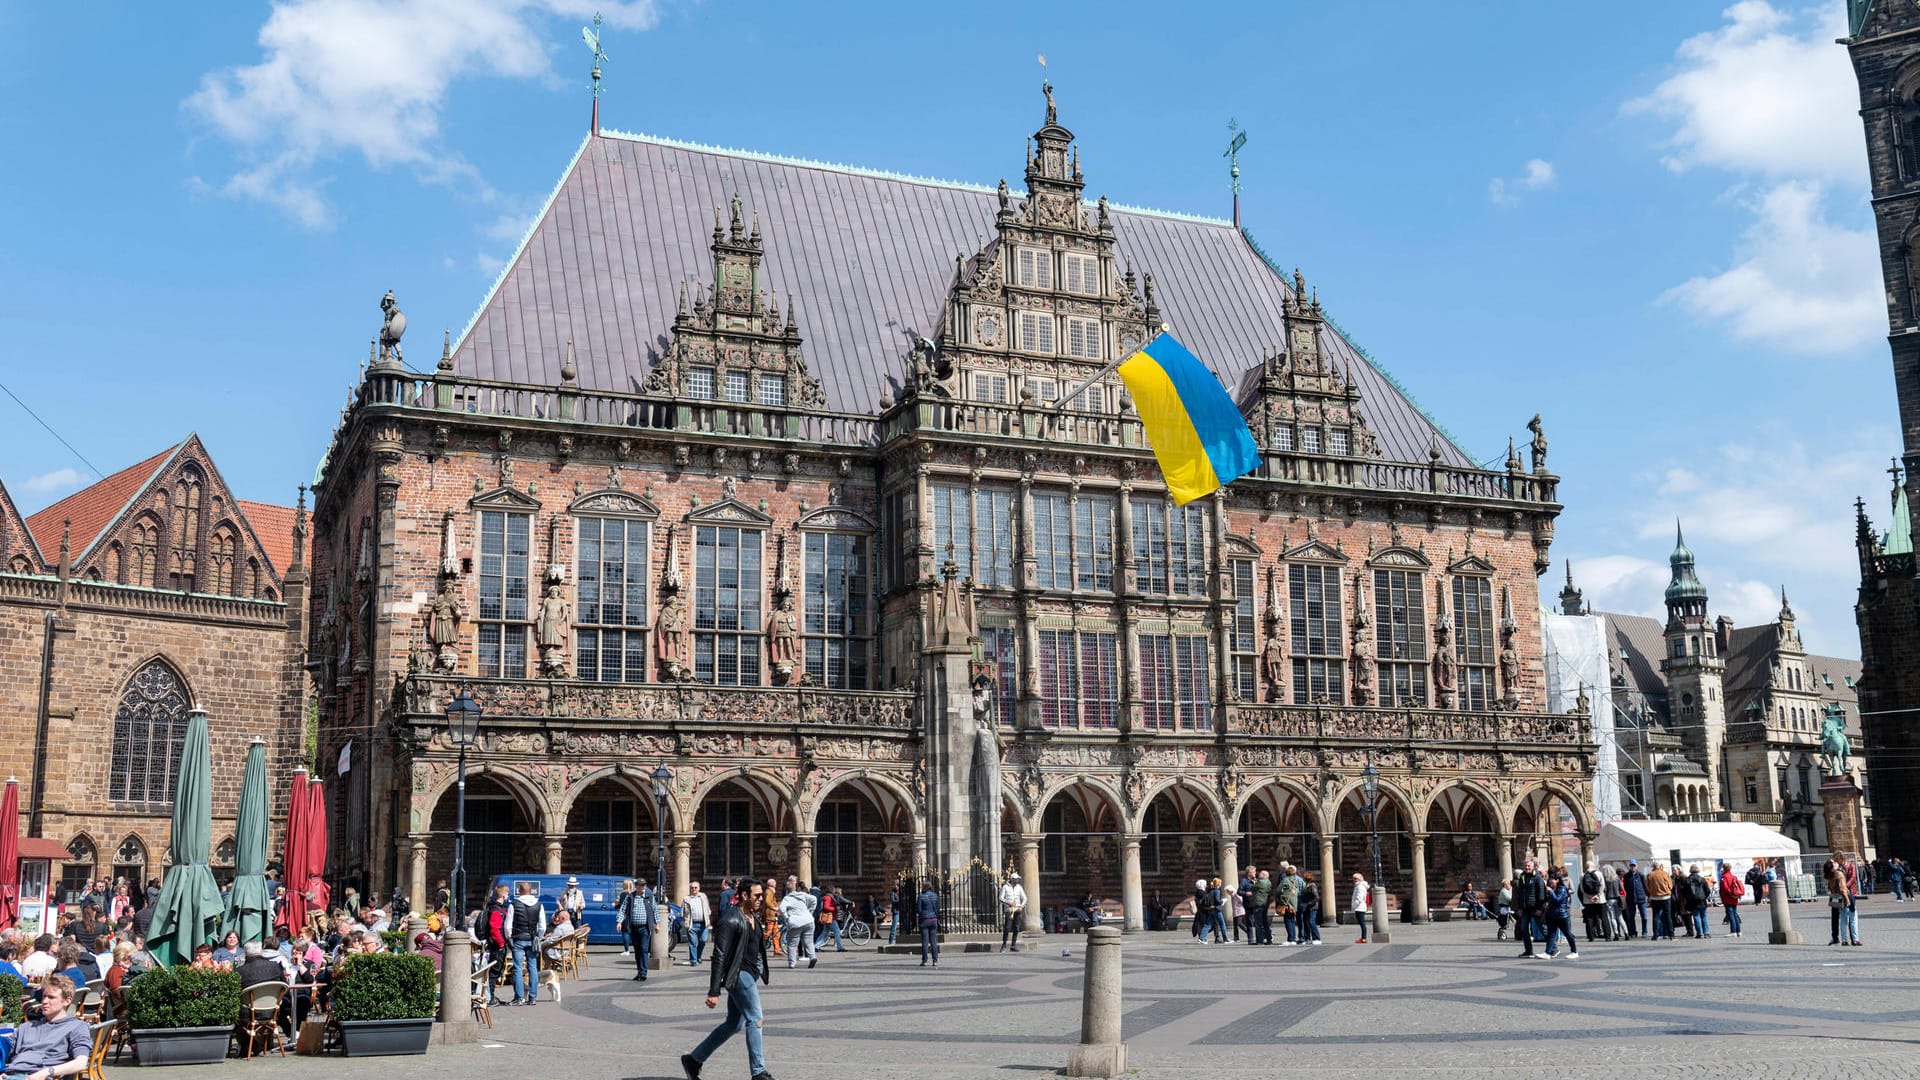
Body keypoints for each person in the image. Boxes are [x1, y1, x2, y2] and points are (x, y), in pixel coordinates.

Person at [682, 879, 772, 1080]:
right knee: (755, 1019)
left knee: (733, 1024)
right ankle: (758, 1072)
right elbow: (719, 956)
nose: (761, 899)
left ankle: (694, 1059)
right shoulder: (730, 920)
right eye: (757, 895)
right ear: (745, 895)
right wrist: (714, 991)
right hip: (739, 975)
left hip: (749, 974)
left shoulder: (752, 917)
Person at [3, 973, 90, 1080]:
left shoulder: (76, 1027)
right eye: (44, 996)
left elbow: (81, 1062)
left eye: (51, 997)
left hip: (39, 1075)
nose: (44, 1001)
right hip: (11, 1074)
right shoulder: (27, 1027)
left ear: (67, 1001)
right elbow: (4, 1048)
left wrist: (47, 1072)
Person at [504, 880, 547, 1006]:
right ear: (531, 891)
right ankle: (533, 997)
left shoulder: (514, 904)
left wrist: (509, 938)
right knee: (532, 967)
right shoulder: (539, 905)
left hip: (518, 938)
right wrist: (538, 937)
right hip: (532, 938)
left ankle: (519, 997)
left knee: (517, 968)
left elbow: (507, 926)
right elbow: (543, 926)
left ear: (519, 891)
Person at [617, 878, 656, 981]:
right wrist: (619, 922)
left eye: (644, 885)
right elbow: (623, 909)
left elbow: (655, 910)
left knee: (644, 949)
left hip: (645, 928)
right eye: (640, 885)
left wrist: (657, 924)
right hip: (634, 927)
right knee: (637, 951)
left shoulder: (649, 897)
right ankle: (639, 971)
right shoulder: (630, 897)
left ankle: (643, 972)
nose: (642, 887)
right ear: (636, 886)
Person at [1541, 869, 1579, 959]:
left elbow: (1558, 900)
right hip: (1553, 915)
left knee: (1567, 934)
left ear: (1557, 880)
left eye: (1553, 879)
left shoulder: (1562, 889)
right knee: (1551, 934)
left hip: (1561, 915)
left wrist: (1550, 892)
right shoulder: (1552, 889)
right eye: (1550, 879)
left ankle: (1574, 951)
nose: (1550, 881)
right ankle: (1547, 953)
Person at [1514, 858, 1547, 958]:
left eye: (1529, 866)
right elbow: (1520, 894)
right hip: (1525, 909)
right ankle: (1528, 951)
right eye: (1525, 866)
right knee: (1524, 929)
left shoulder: (1537, 877)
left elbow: (1541, 894)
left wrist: (1539, 908)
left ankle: (1553, 948)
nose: (1527, 867)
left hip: (1535, 908)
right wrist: (1519, 908)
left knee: (1542, 929)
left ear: (1533, 867)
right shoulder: (1522, 877)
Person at [778, 885, 817, 970]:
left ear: (786, 891)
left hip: (796, 922)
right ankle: (812, 957)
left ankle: (792, 963)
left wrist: (787, 918)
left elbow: (781, 909)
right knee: (809, 942)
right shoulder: (802, 895)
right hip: (808, 920)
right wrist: (810, 911)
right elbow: (814, 899)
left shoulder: (786, 898)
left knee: (792, 944)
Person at [684, 881, 713, 967]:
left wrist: (708, 921)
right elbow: (683, 912)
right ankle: (693, 960)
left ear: (699, 888)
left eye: (695, 887)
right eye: (692, 888)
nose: (694, 889)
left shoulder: (703, 897)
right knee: (692, 943)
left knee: (703, 941)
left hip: (703, 924)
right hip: (692, 924)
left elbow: (708, 910)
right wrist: (686, 921)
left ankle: (698, 956)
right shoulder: (686, 899)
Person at [999, 872, 1027, 952]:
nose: (1017, 880)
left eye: (1018, 879)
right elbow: (1001, 898)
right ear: (1012, 879)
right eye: (1016, 879)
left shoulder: (1019, 887)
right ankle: (1004, 945)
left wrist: (1021, 906)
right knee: (1007, 928)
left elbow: (1025, 898)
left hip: (1018, 909)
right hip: (1009, 910)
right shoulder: (1005, 887)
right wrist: (1008, 903)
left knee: (1017, 928)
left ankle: (1013, 945)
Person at [1646, 861, 1675, 940]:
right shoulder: (1665, 874)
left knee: (1655, 916)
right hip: (1665, 897)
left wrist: (1652, 892)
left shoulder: (1650, 875)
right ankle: (1671, 935)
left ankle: (1655, 935)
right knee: (1668, 916)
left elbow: (1647, 887)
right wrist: (1667, 891)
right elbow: (1670, 885)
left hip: (1654, 897)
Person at [916, 879, 941, 968]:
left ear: (923, 887)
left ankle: (925, 960)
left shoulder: (921, 896)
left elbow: (918, 910)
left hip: (925, 920)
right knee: (934, 942)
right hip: (934, 919)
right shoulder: (935, 895)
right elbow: (938, 908)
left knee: (925, 942)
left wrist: (922, 913)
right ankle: (935, 961)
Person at [1682, 865, 1712, 939]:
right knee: (1704, 916)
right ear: (1698, 870)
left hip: (1692, 901)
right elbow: (1707, 890)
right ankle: (1707, 933)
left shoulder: (1687, 880)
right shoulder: (1702, 879)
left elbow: (1683, 891)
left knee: (1696, 916)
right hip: (1701, 900)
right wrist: (1705, 897)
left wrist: (1688, 898)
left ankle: (1700, 933)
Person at [1248, 868, 1274, 945]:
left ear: (1263, 875)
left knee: (1258, 923)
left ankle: (1260, 940)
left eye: (1260, 874)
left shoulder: (1261, 882)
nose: (1258, 875)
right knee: (1265, 923)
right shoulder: (1268, 882)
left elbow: (1252, 887)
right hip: (1264, 904)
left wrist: (1254, 881)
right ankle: (1269, 939)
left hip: (1258, 904)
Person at [1623, 860, 1647, 939]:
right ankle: (1633, 932)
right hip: (1631, 899)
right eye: (1631, 866)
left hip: (1641, 898)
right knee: (1631, 917)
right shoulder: (1626, 876)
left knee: (1644, 916)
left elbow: (1644, 886)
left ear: (1637, 866)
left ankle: (1644, 931)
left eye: (1634, 865)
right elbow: (1625, 887)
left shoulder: (1641, 875)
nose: (1632, 867)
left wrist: (1646, 896)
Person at [1298, 872, 1322, 944]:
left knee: (1311, 922)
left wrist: (1308, 904)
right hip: (1306, 907)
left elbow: (1316, 897)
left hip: (1312, 907)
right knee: (1306, 923)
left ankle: (1317, 938)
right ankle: (1307, 938)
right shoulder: (1306, 886)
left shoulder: (1312, 886)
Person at [1350, 873, 1371, 943]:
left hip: (1360, 907)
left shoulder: (1360, 887)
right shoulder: (1359, 886)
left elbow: (1359, 898)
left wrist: (1354, 905)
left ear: (1359, 879)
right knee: (1361, 923)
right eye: (1353, 878)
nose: (1354, 880)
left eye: (1355, 878)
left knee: (1362, 923)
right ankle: (1363, 937)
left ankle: (1364, 938)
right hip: (1359, 907)